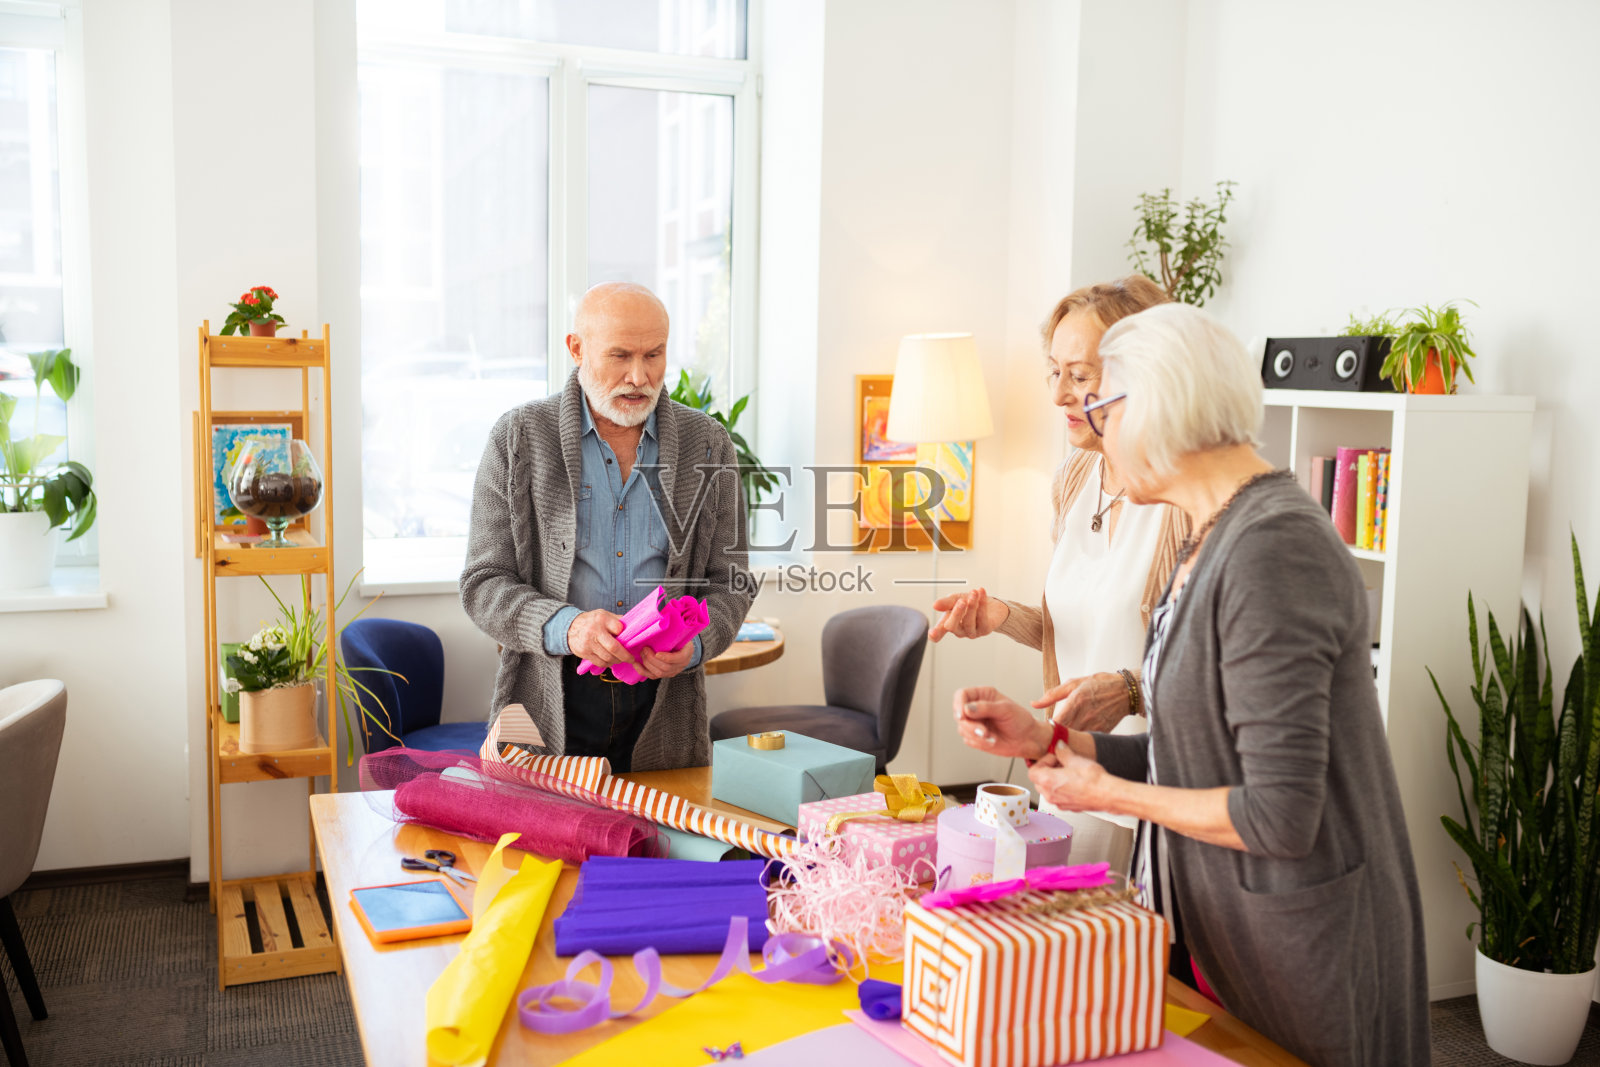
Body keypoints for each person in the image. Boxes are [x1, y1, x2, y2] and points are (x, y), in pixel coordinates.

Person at [952, 303, 1429, 1066]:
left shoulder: (1274, 548)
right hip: (1223, 926)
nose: (1097, 429)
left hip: (1303, 948)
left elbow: (1277, 815)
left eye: (1104, 404)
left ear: (1158, 407)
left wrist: (1102, 794)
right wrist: (1053, 740)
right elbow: (1191, 751)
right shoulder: (1214, 534)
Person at [929, 276, 1189, 871]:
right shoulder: (1075, 477)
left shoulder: (1182, 503)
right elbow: (1070, 626)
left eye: (1081, 376)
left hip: (1147, 788)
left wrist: (1125, 688)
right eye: (1054, 372)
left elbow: (1204, 674)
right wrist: (1001, 617)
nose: (1059, 397)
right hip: (1072, 770)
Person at [460, 282, 754, 772]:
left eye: (653, 355)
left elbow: (733, 581)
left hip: (665, 704)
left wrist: (695, 645)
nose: (638, 376)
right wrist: (569, 627)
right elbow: (483, 583)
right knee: (547, 847)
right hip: (552, 695)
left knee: (661, 844)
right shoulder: (517, 438)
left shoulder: (709, 444)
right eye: (619, 356)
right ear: (576, 348)